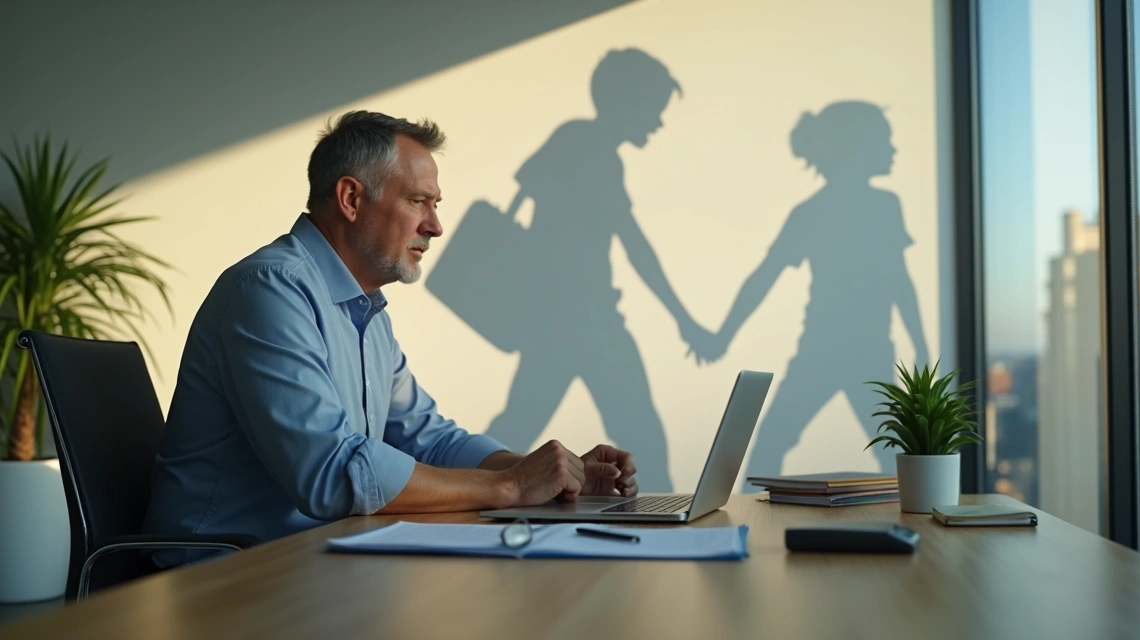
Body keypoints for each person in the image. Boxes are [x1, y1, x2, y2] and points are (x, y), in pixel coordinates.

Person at [143, 111, 638, 565]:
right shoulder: (270, 291)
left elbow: (430, 439)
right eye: (418, 200)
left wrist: (552, 475)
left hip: (308, 562)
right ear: (351, 199)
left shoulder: (367, 313)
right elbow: (333, 475)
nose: (436, 226)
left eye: (436, 204)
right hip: (221, 575)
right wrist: (509, 486)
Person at [480, 49, 708, 492]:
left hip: (557, 319)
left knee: (514, 424)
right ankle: (668, 523)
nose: (657, 122)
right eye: (654, 109)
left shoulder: (577, 141)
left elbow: (531, 203)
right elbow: (635, 244)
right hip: (587, 320)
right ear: (628, 102)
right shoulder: (595, 151)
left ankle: (468, 496)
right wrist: (685, 320)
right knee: (643, 436)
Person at [692, 102, 929, 482]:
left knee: (783, 443)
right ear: (856, 147)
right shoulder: (831, 211)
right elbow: (764, 278)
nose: (893, 149)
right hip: (831, 351)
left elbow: (898, 280)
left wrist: (921, 344)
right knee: (780, 443)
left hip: (849, 351)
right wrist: (724, 335)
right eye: (884, 140)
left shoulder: (873, 207)